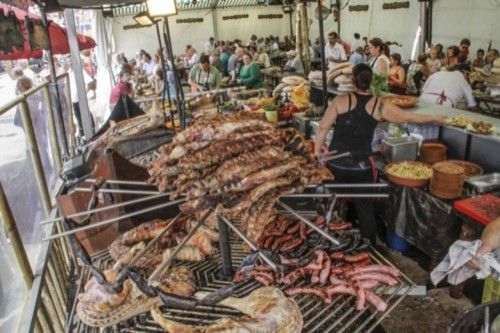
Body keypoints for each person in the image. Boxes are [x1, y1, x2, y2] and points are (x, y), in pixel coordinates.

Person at [313, 64, 446, 243]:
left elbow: (322, 127)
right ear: (371, 82)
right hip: (362, 167)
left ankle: (322, 239)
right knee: (365, 209)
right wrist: (435, 117)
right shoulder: (379, 105)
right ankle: (369, 246)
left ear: (353, 81)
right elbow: (409, 117)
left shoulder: (341, 100)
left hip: (336, 164)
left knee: (329, 202)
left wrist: (316, 155)